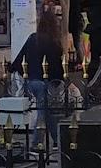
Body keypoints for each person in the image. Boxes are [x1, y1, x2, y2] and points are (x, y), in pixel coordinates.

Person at [8, 8, 65, 143]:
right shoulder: (54, 42)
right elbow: (57, 67)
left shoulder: (33, 38)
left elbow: (19, 61)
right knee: (43, 112)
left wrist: (22, 75)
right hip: (46, 81)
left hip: (32, 80)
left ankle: (57, 140)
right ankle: (37, 143)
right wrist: (60, 82)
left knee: (47, 111)